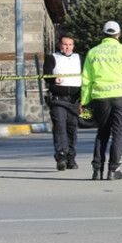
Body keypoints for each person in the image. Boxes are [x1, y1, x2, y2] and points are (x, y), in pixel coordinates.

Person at [81, 20, 122, 181]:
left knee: (102, 133)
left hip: (100, 98)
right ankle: (113, 170)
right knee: (118, 134)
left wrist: (83, 102)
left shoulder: (93, 52)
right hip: (120, 97)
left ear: (103, 34)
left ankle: (97, 170)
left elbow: (86, 80)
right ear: (119, 34)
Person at [43, 35, 82, 171]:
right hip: (58, 99)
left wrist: (84, 100)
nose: (67, 47)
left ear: (73, 46)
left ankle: (71, 157)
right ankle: (61, 156)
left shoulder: (79, 58)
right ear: (60, 45)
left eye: (70, 45)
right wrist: (53, 79)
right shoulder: (52, 57)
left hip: (75, 99)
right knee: (60, 127)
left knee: (72, 128)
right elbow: (46, 74)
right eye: (65, 44)